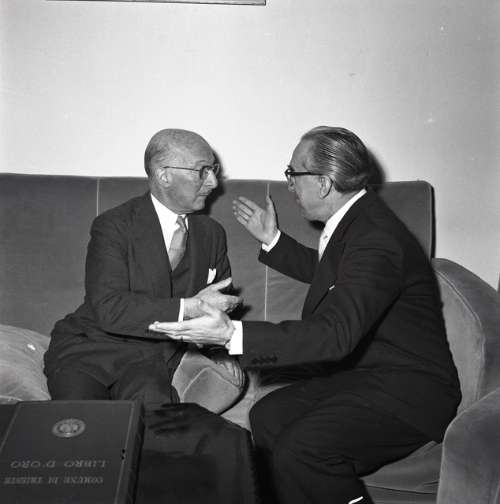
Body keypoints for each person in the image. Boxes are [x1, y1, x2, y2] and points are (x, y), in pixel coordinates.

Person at [150, 126, 461, 504]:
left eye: (293, 174)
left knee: (303, 450)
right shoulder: (359, 220)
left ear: (324, 183)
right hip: (372, 376)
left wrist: (232, 335)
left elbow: (334, 335)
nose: (290, 185)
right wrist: (273, 240)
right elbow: (340, 275)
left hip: (410, 393)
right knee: (267, 415)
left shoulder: (375, 238)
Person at [44, 128, 243, 410]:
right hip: (90, 347)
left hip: (152, 360)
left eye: (214, 170)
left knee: (155, 424)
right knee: (81, 425)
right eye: (202, 171)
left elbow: (220, 304)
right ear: (164, 175)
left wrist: (217, 349)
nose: (213, 182)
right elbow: (110, 309)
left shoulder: (212, 233)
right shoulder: (114, 226)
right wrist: (191, 307)